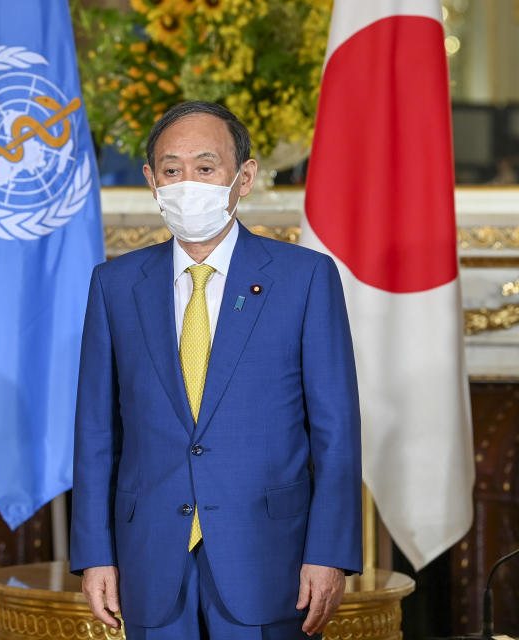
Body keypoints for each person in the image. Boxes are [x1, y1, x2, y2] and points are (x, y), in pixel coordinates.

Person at [70, 101, 361, 639]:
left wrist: (331, 553)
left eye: (205, 168)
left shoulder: (305, 279)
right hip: (150, 558)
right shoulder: (114, 285)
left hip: (270, 556)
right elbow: (94, 434)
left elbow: (336, 433)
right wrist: (94, 554)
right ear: (151, 181)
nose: (187, 183)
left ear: (243, 177)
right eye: (171, 169)